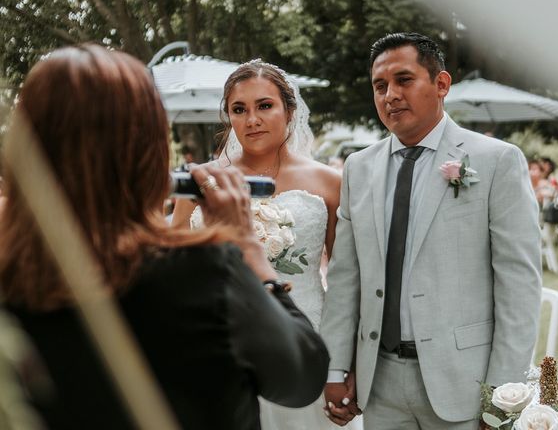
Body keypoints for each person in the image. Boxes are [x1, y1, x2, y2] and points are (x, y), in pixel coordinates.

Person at [0, 45, 329, 430]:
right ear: (146, 144)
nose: (251, 119)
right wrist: (247, 247)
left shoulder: (11, 277)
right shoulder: (202, 271)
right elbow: (300, 378)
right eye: (239, 109)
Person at [320, 32, 542, 429]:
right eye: (380, 85)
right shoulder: (358, 168)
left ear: (441, 84)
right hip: (380, 380)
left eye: (404, 80)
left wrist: (503, 394)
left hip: (466, 382)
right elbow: (344, 277)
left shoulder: (496, 161)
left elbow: (519, 286)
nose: (390, 95)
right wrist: (336, 367)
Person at [172, 59, 348, 430]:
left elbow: (345, 279)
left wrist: (342, 366)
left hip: (301, 343)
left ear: (290, 109)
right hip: (219, 345)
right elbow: (172, 263)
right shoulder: (202, 182)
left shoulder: (329, 182)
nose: (251, 120)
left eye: (264, 106)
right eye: (239, 109)